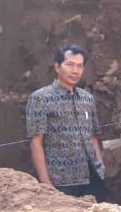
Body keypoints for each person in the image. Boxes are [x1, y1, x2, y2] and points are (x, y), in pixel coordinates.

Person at [26, 43, 105, 199]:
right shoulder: (40, 98)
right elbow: (36, 142)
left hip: (92, 176)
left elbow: (93, 136)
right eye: (70, 65)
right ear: (57, 67)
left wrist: (100, 166)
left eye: (80, 66)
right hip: (61, 180)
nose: (75, 71)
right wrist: (45, 182)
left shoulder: (87, 98)